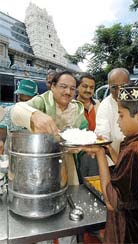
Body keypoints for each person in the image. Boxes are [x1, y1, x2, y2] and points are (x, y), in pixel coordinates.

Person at [11, 70, 88, 244]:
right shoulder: (41, 101)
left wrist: (82, 144)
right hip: (39, 167)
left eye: (72, 88)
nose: (68, 92)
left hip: (66, 165)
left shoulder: (77, 108)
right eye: (62, 87)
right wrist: (34, 115)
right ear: (52, 86)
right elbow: (16, 111)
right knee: (42, 216)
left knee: (69, 210)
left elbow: (82, 133)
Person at [78, 82, 138, 243]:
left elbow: (111, 202)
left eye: (121, 115)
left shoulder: (135, 150)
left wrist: (100, 154)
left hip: (130, 234)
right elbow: (131, 174)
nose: (118, 122)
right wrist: (107, 147)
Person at [95, 67, 130, 165]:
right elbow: (102, 137)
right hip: (114, 164)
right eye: (114, 87)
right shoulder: (105, 106)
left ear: (130, 83)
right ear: (109, 87)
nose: (119, 91)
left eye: (123, 86)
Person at [0, 79, 38, 154]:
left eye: (26, 101)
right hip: (12, 155)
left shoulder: (41, 114)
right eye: (20, 99)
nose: (22, 104)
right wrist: (1, 141)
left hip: (33, 156)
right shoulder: (9, 111)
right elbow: (2, 130)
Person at [76, 74, 100, 182]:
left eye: (91, 87)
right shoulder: (71, 105)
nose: (88, 90)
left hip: (96, 150)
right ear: (77, 87)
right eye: (85, 86)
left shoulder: (98, 105)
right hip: (78, 151)